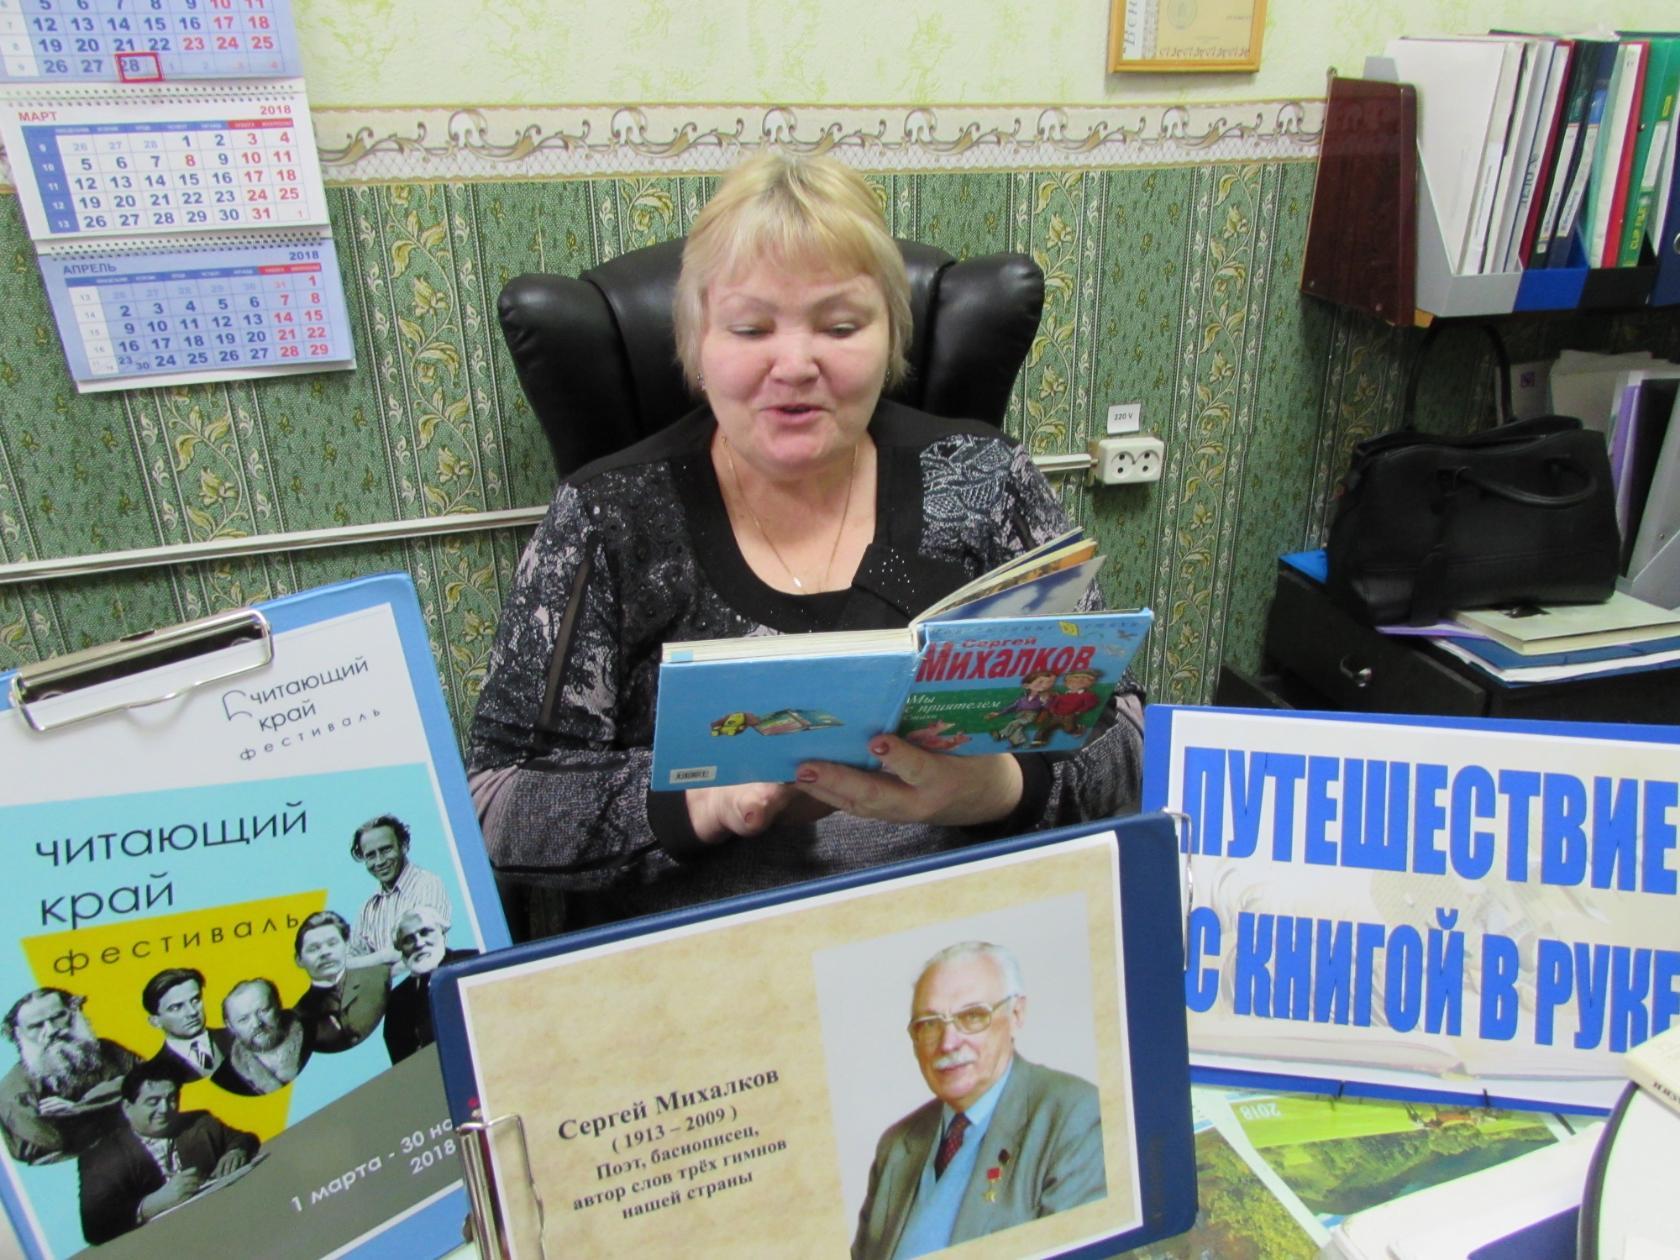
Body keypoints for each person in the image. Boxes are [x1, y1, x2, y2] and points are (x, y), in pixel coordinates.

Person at [468, 150, 1145, 932]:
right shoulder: (607, 518)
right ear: (696, 342)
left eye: (841, 326)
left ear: (891, 338)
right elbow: (497, 804)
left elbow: (1127, 740)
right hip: (712, 953)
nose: (794, 365)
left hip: (959, 938)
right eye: (751, 327)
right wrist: (706, 801)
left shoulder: (987, 479)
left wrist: (1001, 789)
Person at [852, 942, 1104, 1259]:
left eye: (972, 1016)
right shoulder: (896, 1145)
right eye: (929, 1024)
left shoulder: (1073, 1117)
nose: (948, 1043)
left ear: (1016, 1014)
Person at [77, 1063, 258, 1245]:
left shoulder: (198, 1122)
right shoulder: (101, 1157)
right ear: (127, 1108)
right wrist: (152, 1204)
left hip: (221, 1226)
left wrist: (236, 1151)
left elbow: (243, 1137)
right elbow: (93, 1225)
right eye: (153, 1102)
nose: (165, 1109)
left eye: (171, 1098)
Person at [0, 988, 139, 1165]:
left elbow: (148, 1082)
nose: (51, 1030)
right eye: (36, 1026)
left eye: (58, 1016)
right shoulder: (13, 1091)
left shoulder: (109, 1050)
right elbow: (57, 1142)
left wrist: (78, 1108)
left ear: (75, 1011)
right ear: (18, 1033)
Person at [347, 814, 452, 967]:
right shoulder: (368, 909)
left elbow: (420, 951)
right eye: (370, 855)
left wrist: (373, 964)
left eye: (386, 850)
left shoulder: (427, 884)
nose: (379, 861)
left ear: (404, 846)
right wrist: (386, 957)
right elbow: (347, 965)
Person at [383, 907, 478, 1065]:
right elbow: (404, 1064)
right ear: (400, 949)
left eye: (425, 932)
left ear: (442, 931)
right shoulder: (396, 1001)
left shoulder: (474, 961)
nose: (419, 944)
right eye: (408, 940)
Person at [291, 911, 390, 1053]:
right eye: (313, 948)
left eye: (332, 943)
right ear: (299, 960)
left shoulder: (380, 978)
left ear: (347, 946)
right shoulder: (298, 1018)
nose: (325, 953)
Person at [212, 979, 312, 1096]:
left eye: (264, 1011)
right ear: (230, 1026)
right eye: (244, 1019)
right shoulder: (224, 1080)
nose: (256, 1024)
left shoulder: (316, 1036)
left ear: (279, 1005)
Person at [140, 968, 232, 1085]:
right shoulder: (154, 1073)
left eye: (195, 1000)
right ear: (155, 1021)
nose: (192, 1012)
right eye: (176, 1007)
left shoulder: (237, 1036)